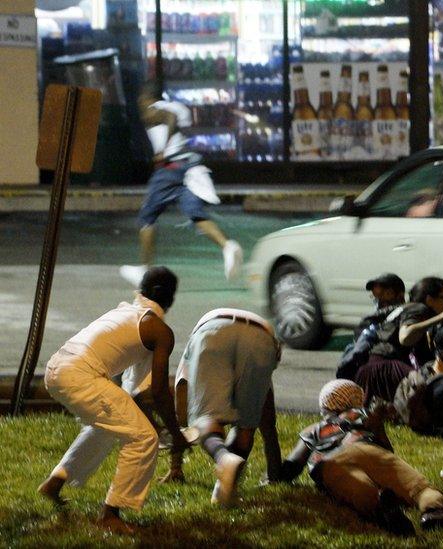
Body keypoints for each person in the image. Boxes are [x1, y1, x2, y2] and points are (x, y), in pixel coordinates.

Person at [37, 267, 187, 533]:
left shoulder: (126, 313)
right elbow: (160, 393)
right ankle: (110, 515)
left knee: (107, 428)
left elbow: (135, 394)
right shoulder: (159, 330)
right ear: (169, 298)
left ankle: (55, 483)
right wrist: (175, 434)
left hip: (56, 369)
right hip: (81, 375)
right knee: (143, 438)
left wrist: (160, 425)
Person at [276, 379, 443, 535]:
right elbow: (387, 450)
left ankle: (381, 507)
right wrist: (378, 423)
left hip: (331, 461)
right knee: (415, 486)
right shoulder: (363, 414)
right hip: (368, 448)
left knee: (359, 489)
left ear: (324, 407)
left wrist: (277, 475)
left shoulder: (314, 429)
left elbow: (293, 464)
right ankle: (435, 510)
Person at [120, 83, 242, 287]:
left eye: (141, 100)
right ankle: (227, 246)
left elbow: (170, 118)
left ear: (145, 99)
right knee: (195, 212)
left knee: (147, 216)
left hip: (170, 169)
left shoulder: (152, 111)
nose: (140, 106)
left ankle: (145, 269)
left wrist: (162, 149)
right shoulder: (176, 107)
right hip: (189, 166)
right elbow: (174, 118)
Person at [164, 307, 283, 506]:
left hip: (213, 330)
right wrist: (274, 472)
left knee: (206, 417)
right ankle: (225, 489)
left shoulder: (194, 349)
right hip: (262, 337)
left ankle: (223, 459)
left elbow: (182, 397)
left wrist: (176, 466)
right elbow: (267, 418)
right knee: (246, 426)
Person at [353, 277, 443, 405]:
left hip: (370, 370)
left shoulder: (407, 309)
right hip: (386, 368)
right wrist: (442, 316)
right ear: (429, 300)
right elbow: (405, 337)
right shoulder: (418, 308)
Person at [336, 273, 407, 382]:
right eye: (376, 295)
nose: (380, 299)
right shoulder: (370, 322)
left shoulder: (408, 315)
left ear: (400, 295)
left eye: (386, 293)